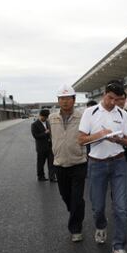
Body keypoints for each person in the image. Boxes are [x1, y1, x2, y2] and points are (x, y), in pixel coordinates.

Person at [78, 81, 127, 253]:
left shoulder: (122, 113)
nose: (113, 102)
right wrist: (100, 135)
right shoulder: (90, 112)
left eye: (117, 99)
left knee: (120, 208)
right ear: (104, 94)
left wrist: (118, 140)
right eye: (110, 98)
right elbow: (81, 139)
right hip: (97, 165)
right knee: (98, 207)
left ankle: (118, 247)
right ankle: (100, 225)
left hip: (119, 163)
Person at [49, 85, 87, 242]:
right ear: (58, 101)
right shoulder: (52, 118)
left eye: (68, 98)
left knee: (76, 198)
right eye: (61, 99)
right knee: (66, 196)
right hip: (59, 163)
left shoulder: (82, 117)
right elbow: (52, 137)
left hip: (78, 162)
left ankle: (75, 229)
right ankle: (76, 210)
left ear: (74, 100)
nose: (65, 102)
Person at [31, 109, 55, 182]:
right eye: (44, 117)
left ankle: (52, 177)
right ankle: (41, 176)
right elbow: (36, 136)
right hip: (41, 147)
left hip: (50, 146)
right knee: (41, 163)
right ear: (40, 115)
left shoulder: (48, 123)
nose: (45, 118)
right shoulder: (34, 124)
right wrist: (45, 132)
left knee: (51, 163)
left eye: (46, 117)